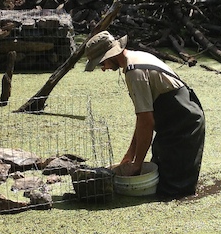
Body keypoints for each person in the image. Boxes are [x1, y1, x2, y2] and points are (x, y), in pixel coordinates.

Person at [82, 31, 205, 198]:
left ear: (109, 56)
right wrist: (130, 155)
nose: (103, 68)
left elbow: (146, 121)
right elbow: (143, 119)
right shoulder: (135, 58)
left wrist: (137, 164)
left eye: (101, 63)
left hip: (184, 122)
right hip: (170, 121)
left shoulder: (134, 72)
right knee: (161, 175)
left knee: (175, 188)